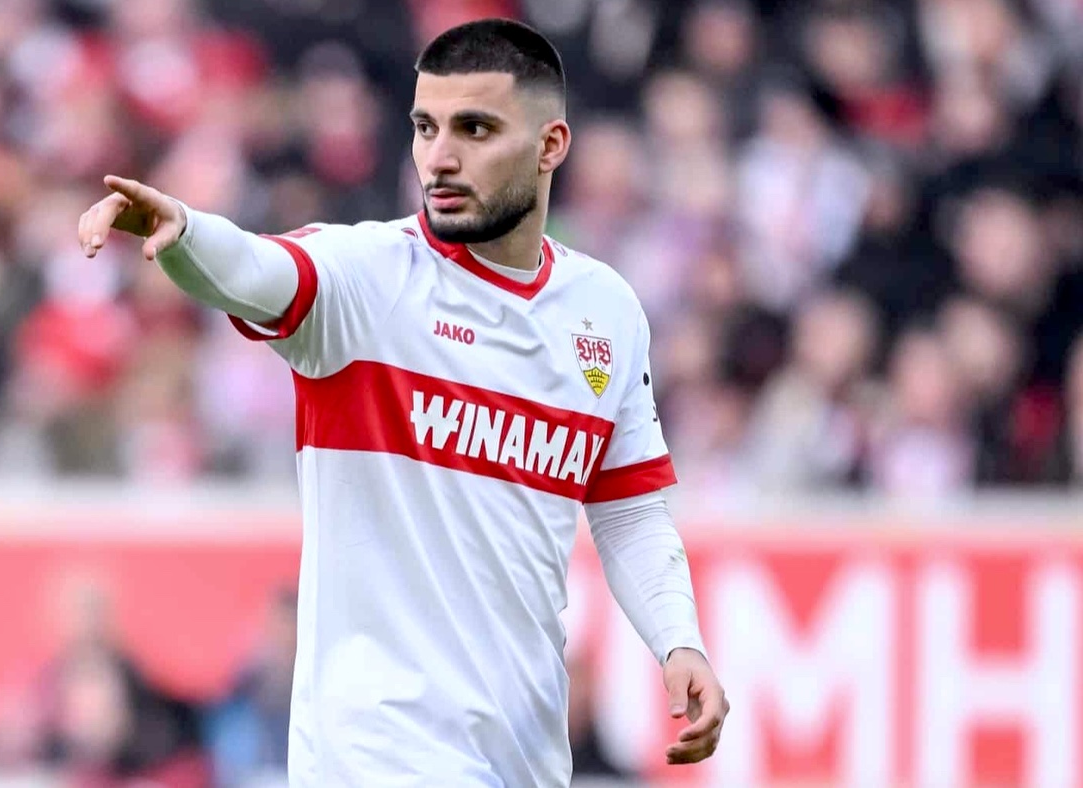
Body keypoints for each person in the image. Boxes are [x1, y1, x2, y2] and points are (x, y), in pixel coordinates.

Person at [78, 18, 729, 787]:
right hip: (378, 756)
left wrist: (678, 639)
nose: (440, 157)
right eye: (426, 128)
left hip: (523, 757)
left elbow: (628, 510)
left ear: (551, 145)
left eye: (474, 129)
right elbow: (257, 269)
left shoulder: (604, 311)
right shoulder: (368, 278)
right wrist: (185, 232)